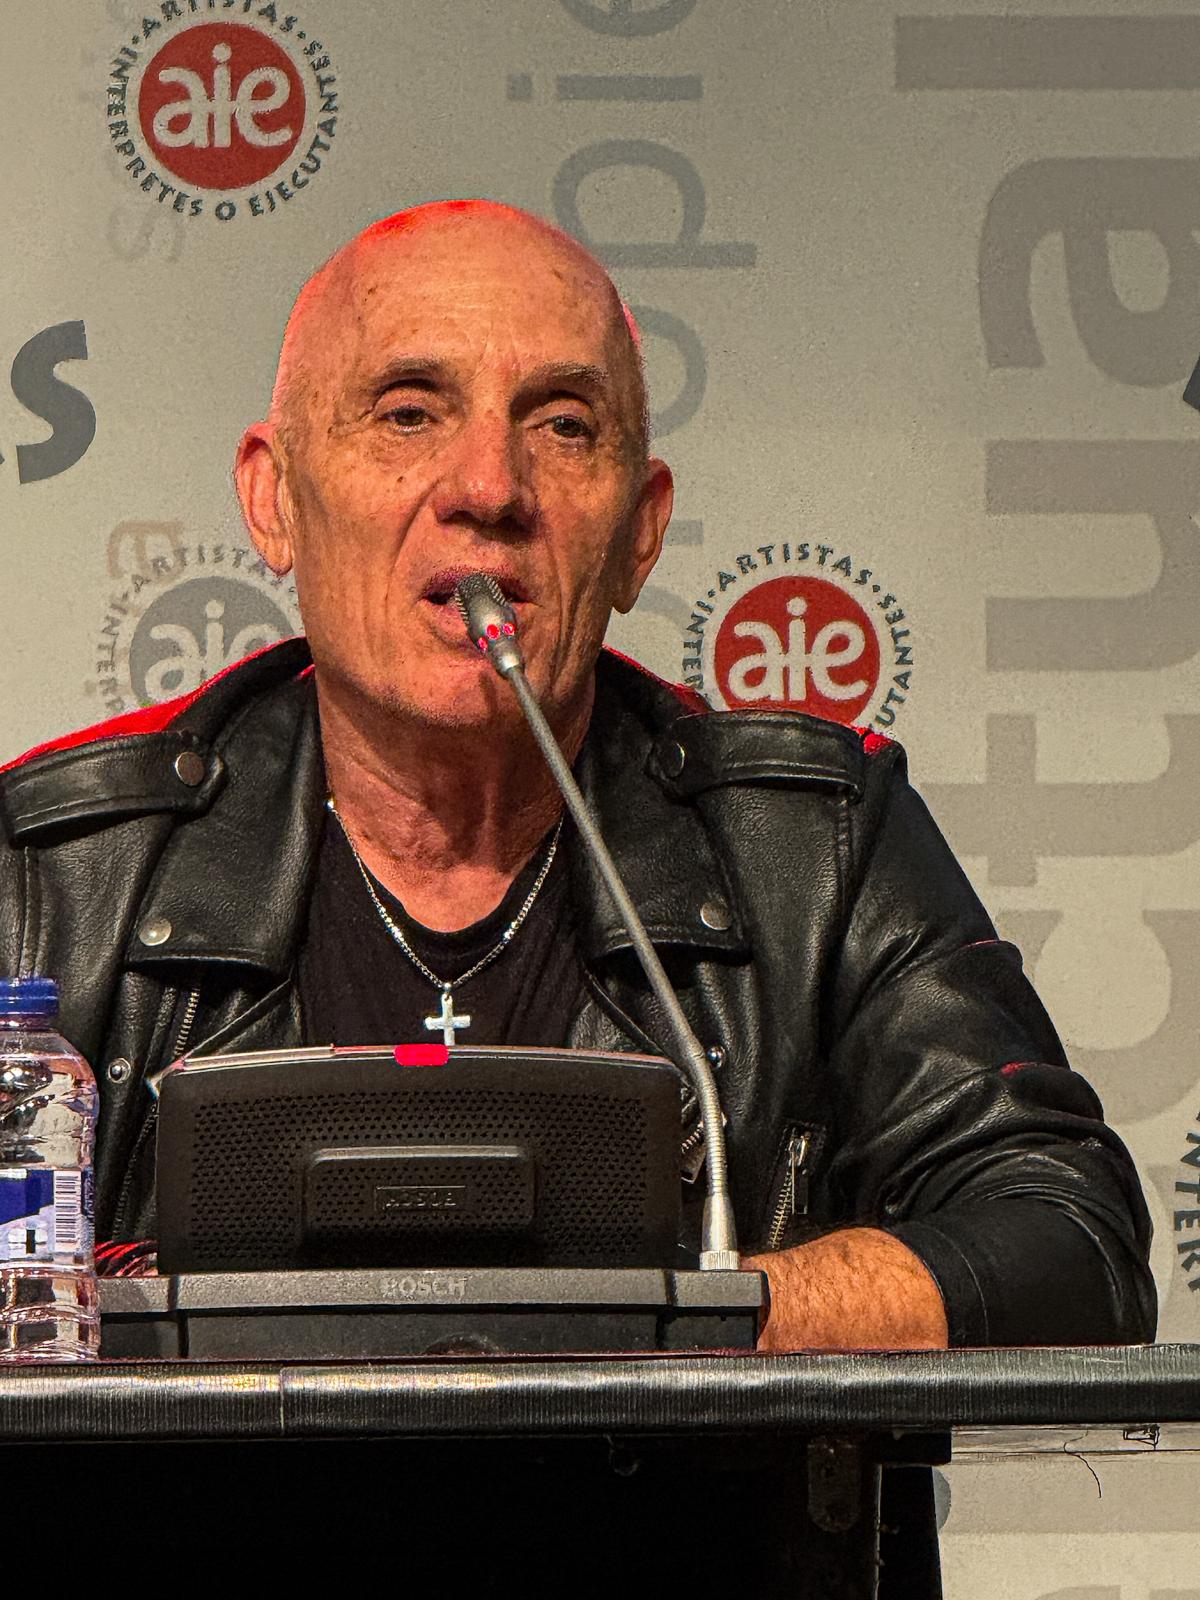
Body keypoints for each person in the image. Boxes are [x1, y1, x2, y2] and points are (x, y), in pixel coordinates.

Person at [0, 200, 1154, 1587]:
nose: (489, 485)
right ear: (275, 497)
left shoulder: (812, 845)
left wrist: (699, 1321)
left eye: (561, 424)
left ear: (641, 531)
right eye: (409, 413)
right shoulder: (60, 871)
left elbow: (1067, 1241)